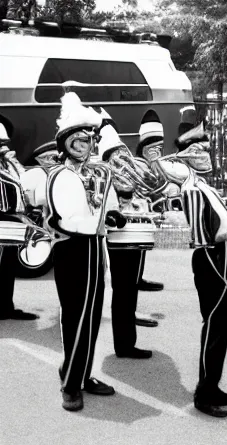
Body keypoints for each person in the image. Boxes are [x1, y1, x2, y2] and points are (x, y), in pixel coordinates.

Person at [46, 92, 118, 412]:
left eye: (90, 139)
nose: (86, 144)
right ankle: (70, 385)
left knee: (90, 317)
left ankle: (83, 373)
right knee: (76, 317)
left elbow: (100, 211)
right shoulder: (62, 175)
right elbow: (72, 220)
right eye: (79, 139)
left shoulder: (87, 174)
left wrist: (109, 217)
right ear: (65, 143)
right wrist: (99, 223)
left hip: (91, 250)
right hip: (73, 251)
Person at [164, 124, 227, 418]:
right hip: (210, 258)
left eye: (207, 149)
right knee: (214, 326)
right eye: (200, 151)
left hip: (219, 257)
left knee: (220, 325)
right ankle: (204, 393)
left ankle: (213, 384)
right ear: (187, 157)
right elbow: (203, 234)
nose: (207, 155)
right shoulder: (193, 189)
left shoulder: (202, 185)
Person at [98, 113, 154, 358]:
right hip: (117, 239)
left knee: (128, 290)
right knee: (123, 291)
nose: (121, 159)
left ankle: (126, 342)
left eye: (122, 154)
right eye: (116, 156)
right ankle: (124, 345)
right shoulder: (103, 175)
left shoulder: (126, 171)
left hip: (134, 235)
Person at [0, 119, 39, 321]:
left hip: (11, 222)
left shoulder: (8, 165)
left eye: (4, 143)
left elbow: (23, 183)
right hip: (3, 218)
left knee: (8, 267)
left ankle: (6, 307)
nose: (4, 147)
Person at [134, 112, 168, 293]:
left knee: (142, 248)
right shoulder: (140, 165)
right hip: (137, 215)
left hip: (146, 214)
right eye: (156, 148)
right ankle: (136, 279)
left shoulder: (150, 165)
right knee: (138, 248)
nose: (159, 153)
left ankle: (138, 277)